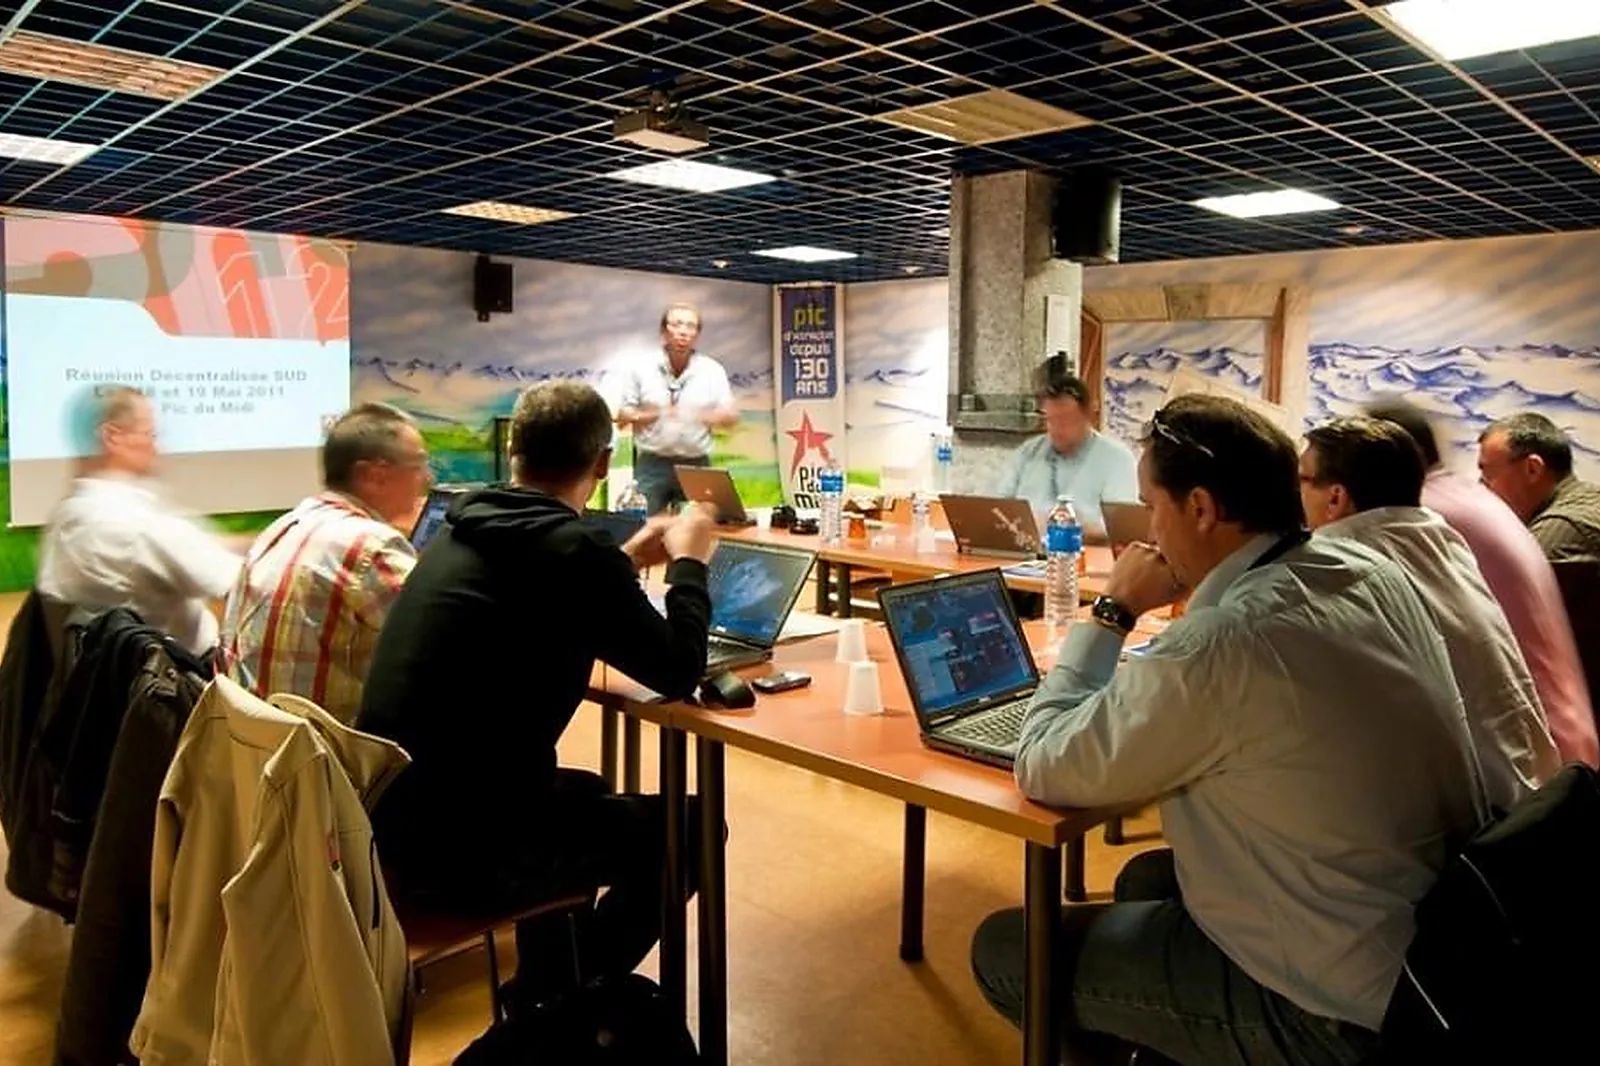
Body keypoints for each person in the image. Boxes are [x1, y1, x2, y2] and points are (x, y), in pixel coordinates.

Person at [971, 394, 1481, 1066]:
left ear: (1203, 509)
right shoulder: (1368, 572)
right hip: (1442, 949)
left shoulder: (1227, 642)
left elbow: (1042, 761)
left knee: (1007, 951)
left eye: (1151, 507)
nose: (1146, 532)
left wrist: (1112, 611)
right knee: (1148, 877)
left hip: (1335, 1010)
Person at [358, 379, 714, 1007]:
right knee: (692, 827)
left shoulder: (465, 528)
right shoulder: (571, 551)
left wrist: (623, 561)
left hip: (392, 824)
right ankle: (559, 997)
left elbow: (548, 586)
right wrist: (690, 562)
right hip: (462, 856)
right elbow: (680, 668)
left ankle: (553, 980)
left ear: (515, 453)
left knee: (591, 791)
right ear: (603, 464)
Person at [1300, 415, 1558, 808]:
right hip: (1530, 793)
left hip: (1471, 825)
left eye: (1302, 480)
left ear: (1335, 497)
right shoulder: (1437, 536)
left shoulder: (1342, 559)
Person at [1366, 399, 1597, 767]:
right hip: (1566, 730)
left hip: (1537, 745)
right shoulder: (1472, 500)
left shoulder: (1421, 514)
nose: (1482, 482)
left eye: (1488, 471)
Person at [219, 403, 429, 724]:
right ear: (373, 475)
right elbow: (451, 645)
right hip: (331, 762)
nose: (427, 479)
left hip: (257, 753)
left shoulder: (282, 528)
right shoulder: (370, 547)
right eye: (419, 465)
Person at [37, 385, 241, 655]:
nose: (157, 446)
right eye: (150, 434)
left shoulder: (70, 517)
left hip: (114, 687)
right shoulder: (139, 526)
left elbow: (192, 549)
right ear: (112, 437)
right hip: (189, 679)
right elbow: (239, 584)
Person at [1478, 412, 1600, 708]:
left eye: (1488, 473)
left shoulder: (1561, 528)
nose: (1481, 486)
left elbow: (1495, 618)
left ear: (1532, 469)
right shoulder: (1587, 500)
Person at [611, 303, 740, 514]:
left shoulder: (712, 370)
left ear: (698, 334)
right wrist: (657, 413)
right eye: (677, 324)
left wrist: (702, 415)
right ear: (664, 330)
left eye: (691, 326)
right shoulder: (641, 368)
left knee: (698, 528)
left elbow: (730, 417)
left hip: (696, 464)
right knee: (642, 525)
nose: (683, 332)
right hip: (652, 463)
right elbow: (623, 416)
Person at [997, 355, 1137, 537]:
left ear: (1088, 416)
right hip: (1025, 552)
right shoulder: (1029, 452)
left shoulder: (1117, 459)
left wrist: (1068, 525)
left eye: (1065, 420)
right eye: (1050, 420)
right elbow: (997, 506)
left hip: (1084, 555)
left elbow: (1122, 528)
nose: (1056, 429)